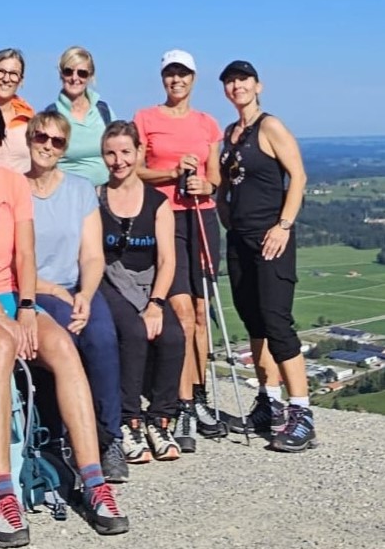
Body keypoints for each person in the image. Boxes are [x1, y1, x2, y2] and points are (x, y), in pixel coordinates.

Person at [0, 101, 128, 547]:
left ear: (0, 141)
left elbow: (25, 250)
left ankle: (94, 480)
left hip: (9, 295)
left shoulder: (13, 185)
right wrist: (2, 318)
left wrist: (23, 307)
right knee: (0, 347)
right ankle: (3, 489)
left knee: (63, 349)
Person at [24, 111, 127, 483]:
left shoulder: (80, 189)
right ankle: (64, 436)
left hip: (76, 286)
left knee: (102, 337)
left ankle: (109, 436)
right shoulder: (14, 190)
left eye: (56, 141)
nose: (47, 146)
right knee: (64, 339)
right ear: (29, 139)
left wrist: (85, 293)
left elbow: (92, 254)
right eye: (41, 138)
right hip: (35, 290)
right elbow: (8, 258)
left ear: (64, 148)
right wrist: (49, 290)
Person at [218, 60, 315, 452]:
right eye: (230, 81)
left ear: (258, 85)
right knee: (255, 322)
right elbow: (225, 183)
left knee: (277, 324)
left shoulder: (270, 127)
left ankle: (302, 412)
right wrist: (225, 216)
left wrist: (284, 225)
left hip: (271, 238)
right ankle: (269, 402)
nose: (237, 86)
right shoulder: (231, 133)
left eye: (243, 79)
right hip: (240, 241)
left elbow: (299, 176)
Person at [133, 49, 225, 452]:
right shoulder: (146, 119)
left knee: (202, 313)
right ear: (162, 78)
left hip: (201, 217)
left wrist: (206, 185)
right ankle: (182, 401)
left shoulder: (208, 123)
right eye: (170, 74)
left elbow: (216, 176)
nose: (176, 80)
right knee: (183, 313)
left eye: (183, 74)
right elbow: (136, 169)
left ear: (193, 78)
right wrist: (173, 173)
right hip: (166, 218)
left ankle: (200, 394)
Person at [98, 121, 185, 463]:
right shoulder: (96, 198)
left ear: (138, 153)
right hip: (108, 280)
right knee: (132, 333)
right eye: (110, 153)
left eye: (124, 152)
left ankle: (161, 418)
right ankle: (127, 420)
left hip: (149, 282)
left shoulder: (157, 204)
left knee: (174, 336)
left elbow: (167, 260)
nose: (118, 160)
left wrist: (156, 305)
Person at [46, 46, 114, 187]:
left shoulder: (104, 111)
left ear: (90, 76)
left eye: (82, 73)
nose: (74, 78)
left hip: (107, 195)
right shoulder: (52, 115)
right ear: (61, 74)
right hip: (68, 197)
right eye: (68, 71)